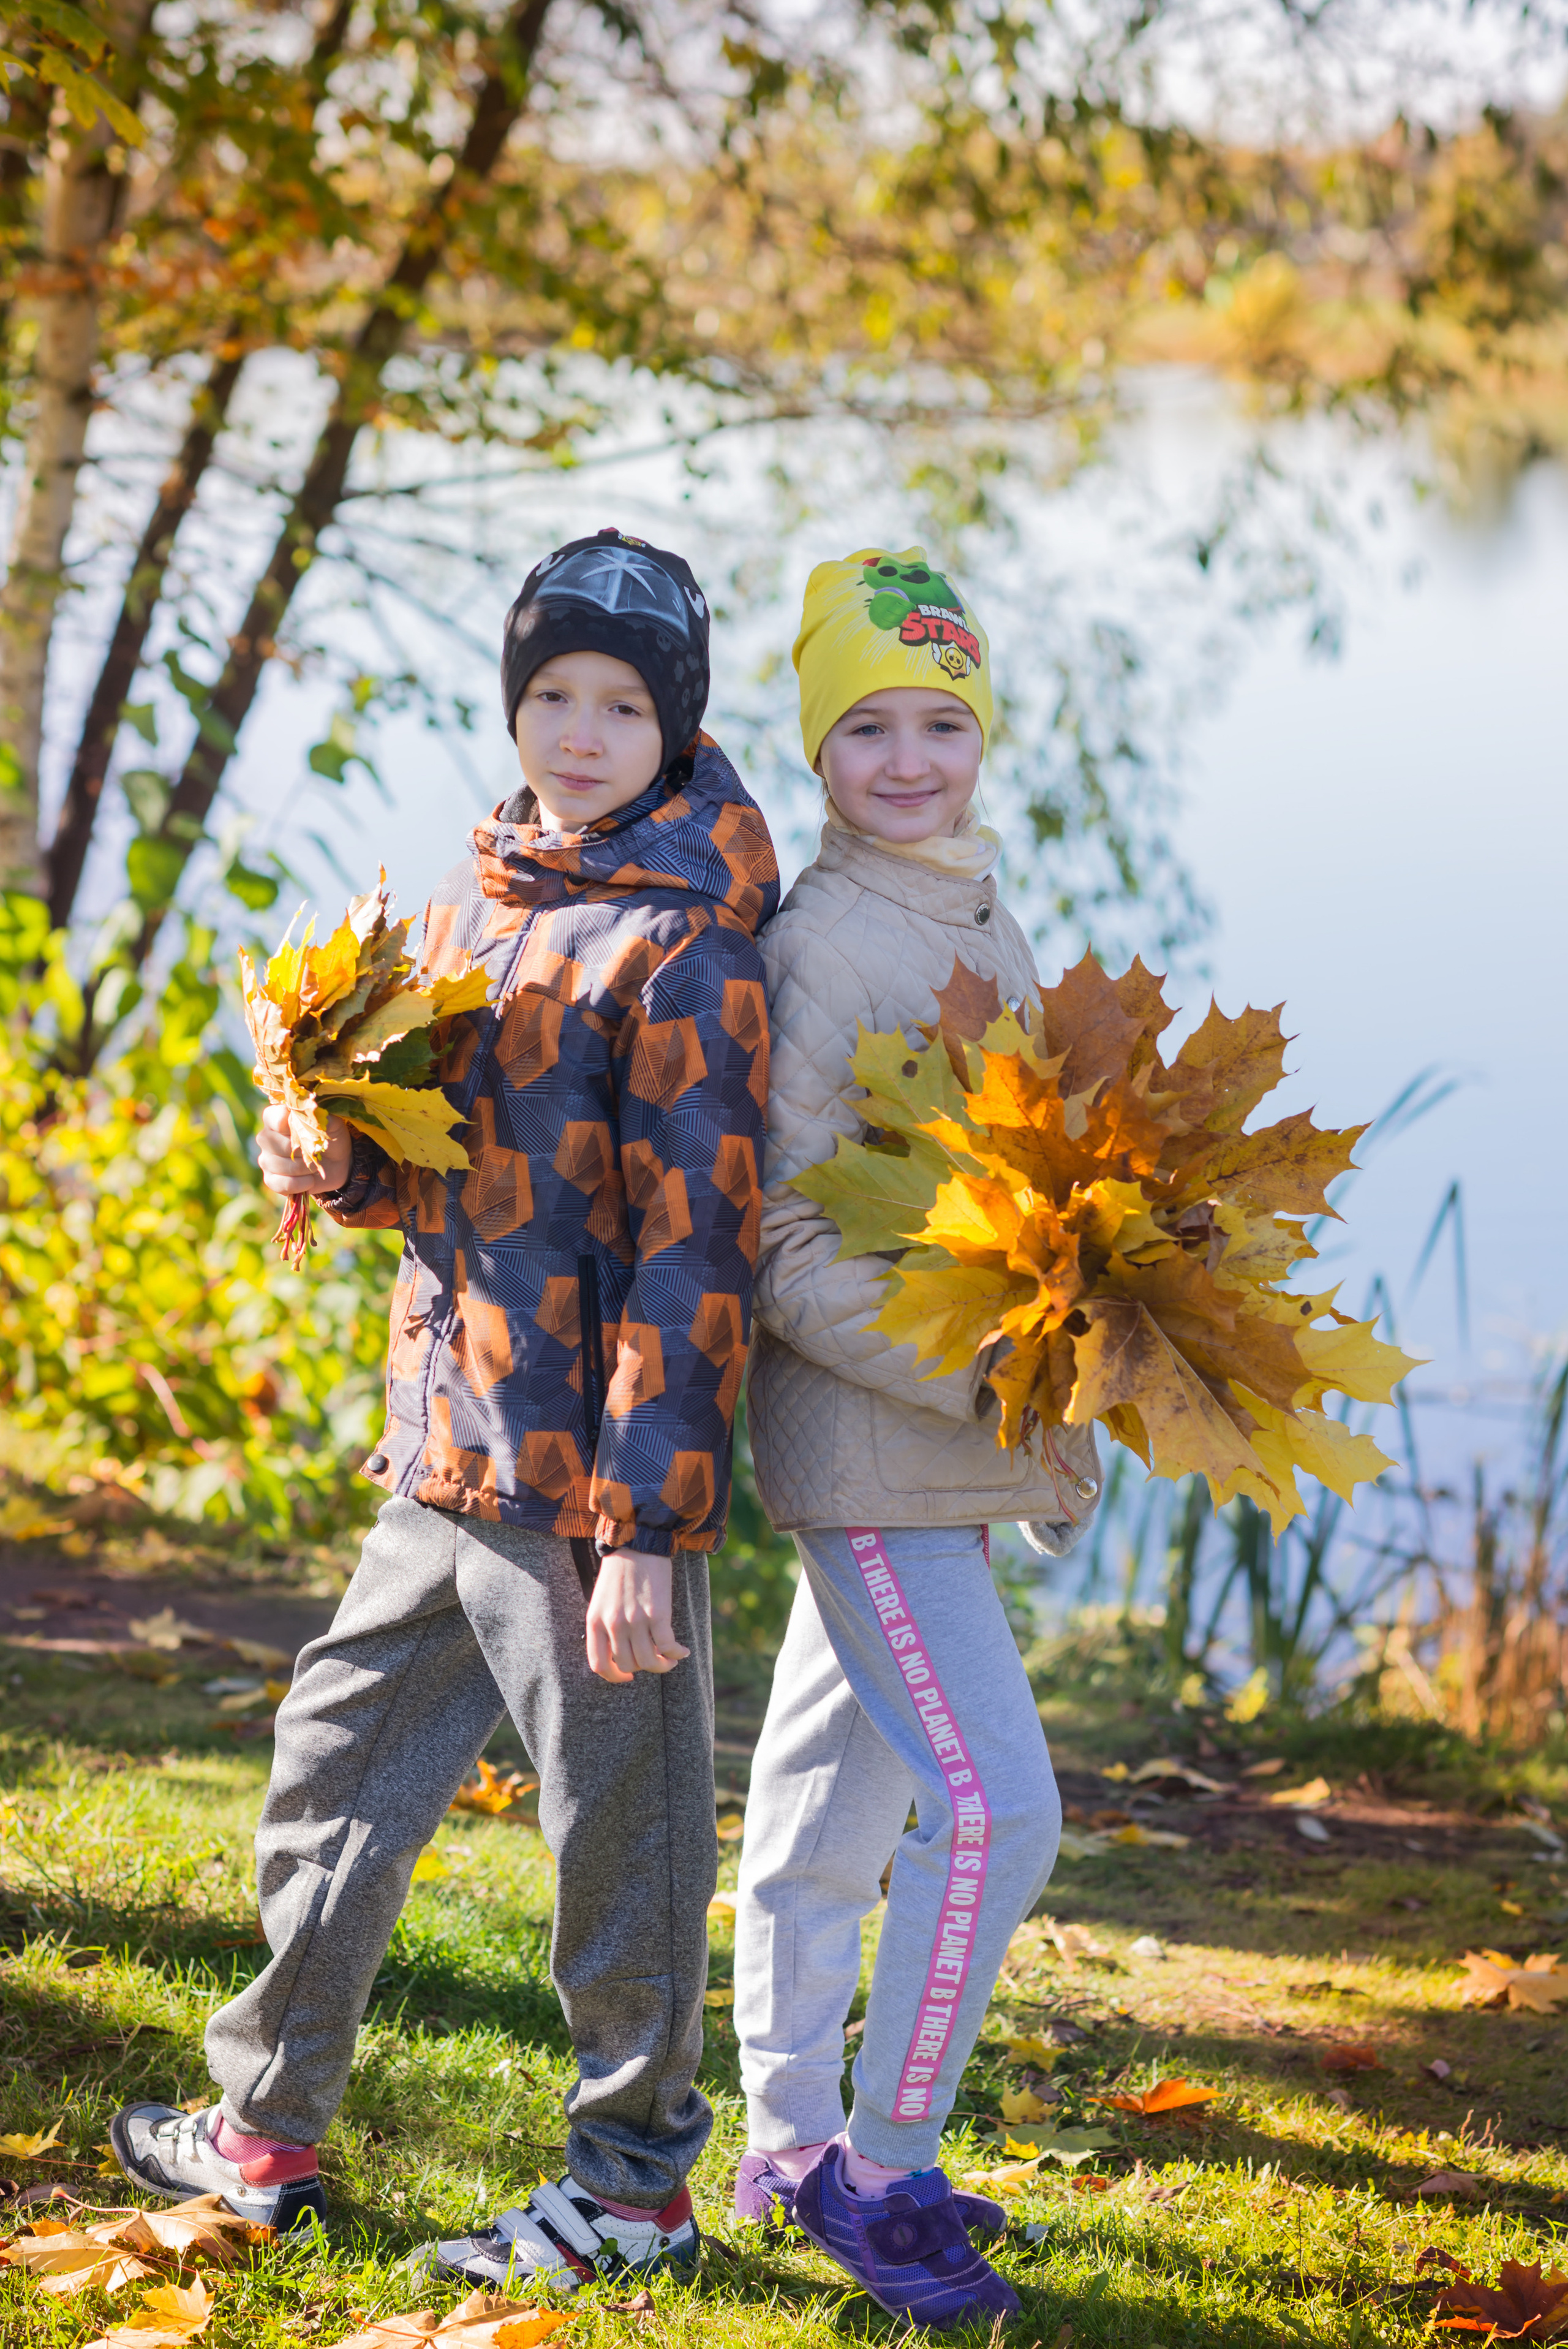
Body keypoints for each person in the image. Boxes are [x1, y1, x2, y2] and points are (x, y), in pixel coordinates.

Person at [111, 528, 779, 2293]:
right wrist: (336, 1155)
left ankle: (632, 2186)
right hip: (449, 1448)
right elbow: (451, 1173)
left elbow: (693, 1258)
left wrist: (645, 1528)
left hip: (583, 1492)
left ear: (677, 723)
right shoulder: (491, 892)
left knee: (613, 1847)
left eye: (620, 702)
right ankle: (265, 2128)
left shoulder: (688, 952)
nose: (577, 729)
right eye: (550, 691)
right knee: (332, 1762)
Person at [729, 546, 1103, 2328]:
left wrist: (1067, 1381)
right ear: (816, 751)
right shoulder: (821, 945)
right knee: (996, 1808)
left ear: (981, 736)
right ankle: (887, 2161)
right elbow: (789, 1242)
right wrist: (988, 1377)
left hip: (946, 1450)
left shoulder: (972, 913)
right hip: (876, 1445)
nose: (904, 756)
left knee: (830, 1798)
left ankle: (786, 2135)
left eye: (937, 721)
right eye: (865, 725)